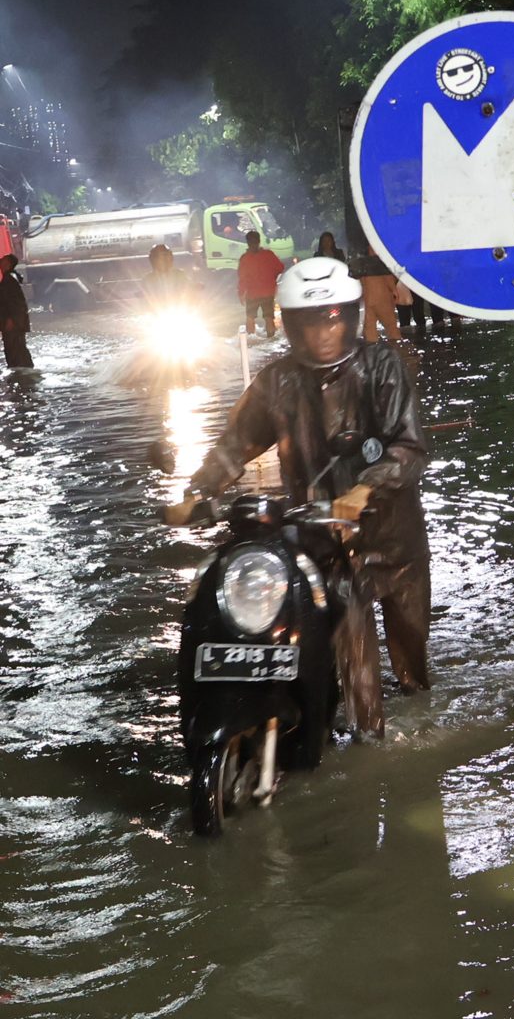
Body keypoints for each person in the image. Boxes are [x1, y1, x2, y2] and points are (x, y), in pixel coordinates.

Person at [166, 257, 431, 738]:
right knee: (357, 670)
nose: (323, 333)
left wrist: (366, 488)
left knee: (412, 660)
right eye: (310, 322)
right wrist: (199, 490)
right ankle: (367, 746)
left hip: (394, 537)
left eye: (332, 319)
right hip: (324, 541)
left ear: (349, 318)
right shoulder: (277, 382)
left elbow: (409, 447)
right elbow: (235, 444)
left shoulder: (382, 366)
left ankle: (418, 711)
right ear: (291, 325)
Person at [237, 230, 284, 338]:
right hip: (268, 292)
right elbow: (280, 268)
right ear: (259, 241)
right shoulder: (269, 255)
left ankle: (249, 342)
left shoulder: (245, 258)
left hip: (252, 294)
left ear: (248, 243)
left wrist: (241, 293)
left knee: (250, 318)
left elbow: (242, 278)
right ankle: (271, 339)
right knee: (268, 318)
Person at [360, 246, 402, 342]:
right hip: (382, 298)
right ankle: (396, 347)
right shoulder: (382, 262)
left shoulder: (361, 262)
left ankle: (372, 347)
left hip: (367, 299)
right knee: (391, 327)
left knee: (369, 329)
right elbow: (388, 279)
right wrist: (394, 290)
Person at [0, 254, 34, 369]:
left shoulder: (9, 280)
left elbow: (15, 303)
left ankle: (22, 370)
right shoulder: (9, 278)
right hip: (13, 322)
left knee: (15, 348)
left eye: (3, 260)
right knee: (15, 348)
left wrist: (12, 320)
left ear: (8, 264)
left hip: (13, 323)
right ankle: (21, 369)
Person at [141, 243, 192, 309]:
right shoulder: (147, 279)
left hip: (178, 308)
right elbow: (143, 294)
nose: (164, 260)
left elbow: (188, 286)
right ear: (153, 260)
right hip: (156, 310)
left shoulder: (180, 274)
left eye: (166, 256)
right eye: (160, 257)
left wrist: (194, 288)